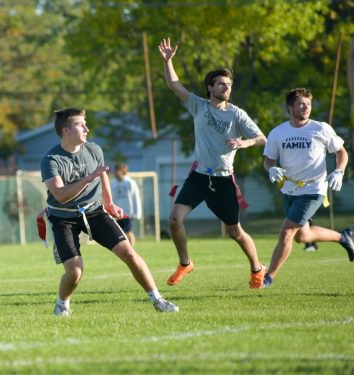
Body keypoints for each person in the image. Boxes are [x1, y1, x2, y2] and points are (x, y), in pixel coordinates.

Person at [40, 108, 179, 316]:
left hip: (95, 211)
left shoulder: (93, 149)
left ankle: (158, 300)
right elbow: (60, 195)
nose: (87, 128)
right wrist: (88, 178)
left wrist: (110, 203)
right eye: (80, 124)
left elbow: (103, 174)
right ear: (66, 130)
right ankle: (62, 305)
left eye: (86, 123)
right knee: (75, 272)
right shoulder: (51, 160)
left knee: (129, 253)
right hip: (63, 218)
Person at [158, 37, 267, 288]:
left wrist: (245, 143)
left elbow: (262, 138)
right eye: (221, 84)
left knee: (235, 232)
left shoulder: (236, 114)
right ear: (210, 87)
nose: (225, 88)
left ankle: (257, 269)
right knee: (174, 220)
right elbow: (174, 85)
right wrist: (168, 61)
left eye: (228, 84)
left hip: (222, 179)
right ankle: (185, 263)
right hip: (198, 177)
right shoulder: (199, 106)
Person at [262, 88, 353, 288]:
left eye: (309, 104)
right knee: (303, 236)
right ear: (290, 107)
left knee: (287, 231)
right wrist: (271, 169)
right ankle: (343, 237)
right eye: (302, 104)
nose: (306, 107)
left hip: (314, 190)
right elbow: (268, 160)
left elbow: (341, 153)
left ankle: (268, 278)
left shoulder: (321, 128)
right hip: (289, 190)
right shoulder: (278, 132)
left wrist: (339, 171)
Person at [110, 163, 142, 245]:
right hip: (118, 213)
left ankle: (131, 248)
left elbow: (136, 197)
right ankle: (126, 246)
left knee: (128, 231)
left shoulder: (130, 182)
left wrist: (137, 213)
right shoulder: (113, 183)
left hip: (128, 212)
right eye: (115, 171)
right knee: (121, 232)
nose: (115, 173)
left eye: (117, 171)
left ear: (122, 171)